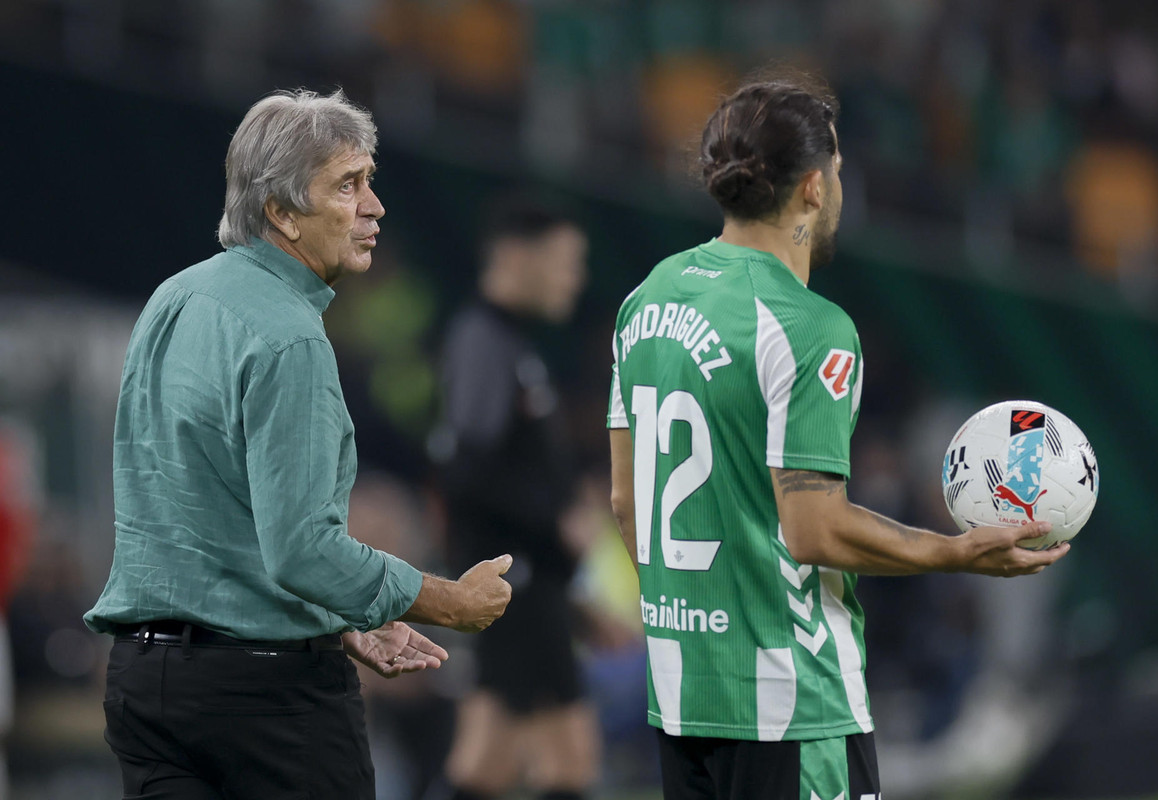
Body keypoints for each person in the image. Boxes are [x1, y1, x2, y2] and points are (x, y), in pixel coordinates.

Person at [605, 75, 1071, 800]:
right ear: (815, 188)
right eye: (843, 173)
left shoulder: (646, 299)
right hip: (792, 707)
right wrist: (951, 553)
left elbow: (627, 500)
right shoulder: (808, 326)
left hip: (683, 694)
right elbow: (815, 531)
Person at [83, 89, 513, 800]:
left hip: (146, 684)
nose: (374, 206)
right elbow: (303, 550)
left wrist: (342, 621)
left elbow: (196, 520)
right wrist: (443, 601)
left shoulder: (171, 299)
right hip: (266, 701)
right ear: (280, 212)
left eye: (370, 181)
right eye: (349, 184)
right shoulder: (288, 336)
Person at [430, 197, 598, 800]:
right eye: (564, 261)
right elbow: (465, 467)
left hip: (525, 581)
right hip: (512, 579)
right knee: (563, 758)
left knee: (493, 761)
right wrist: (556, 520)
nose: (572, 277)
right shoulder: (484, 339)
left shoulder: (510, 344)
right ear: (516, 256)